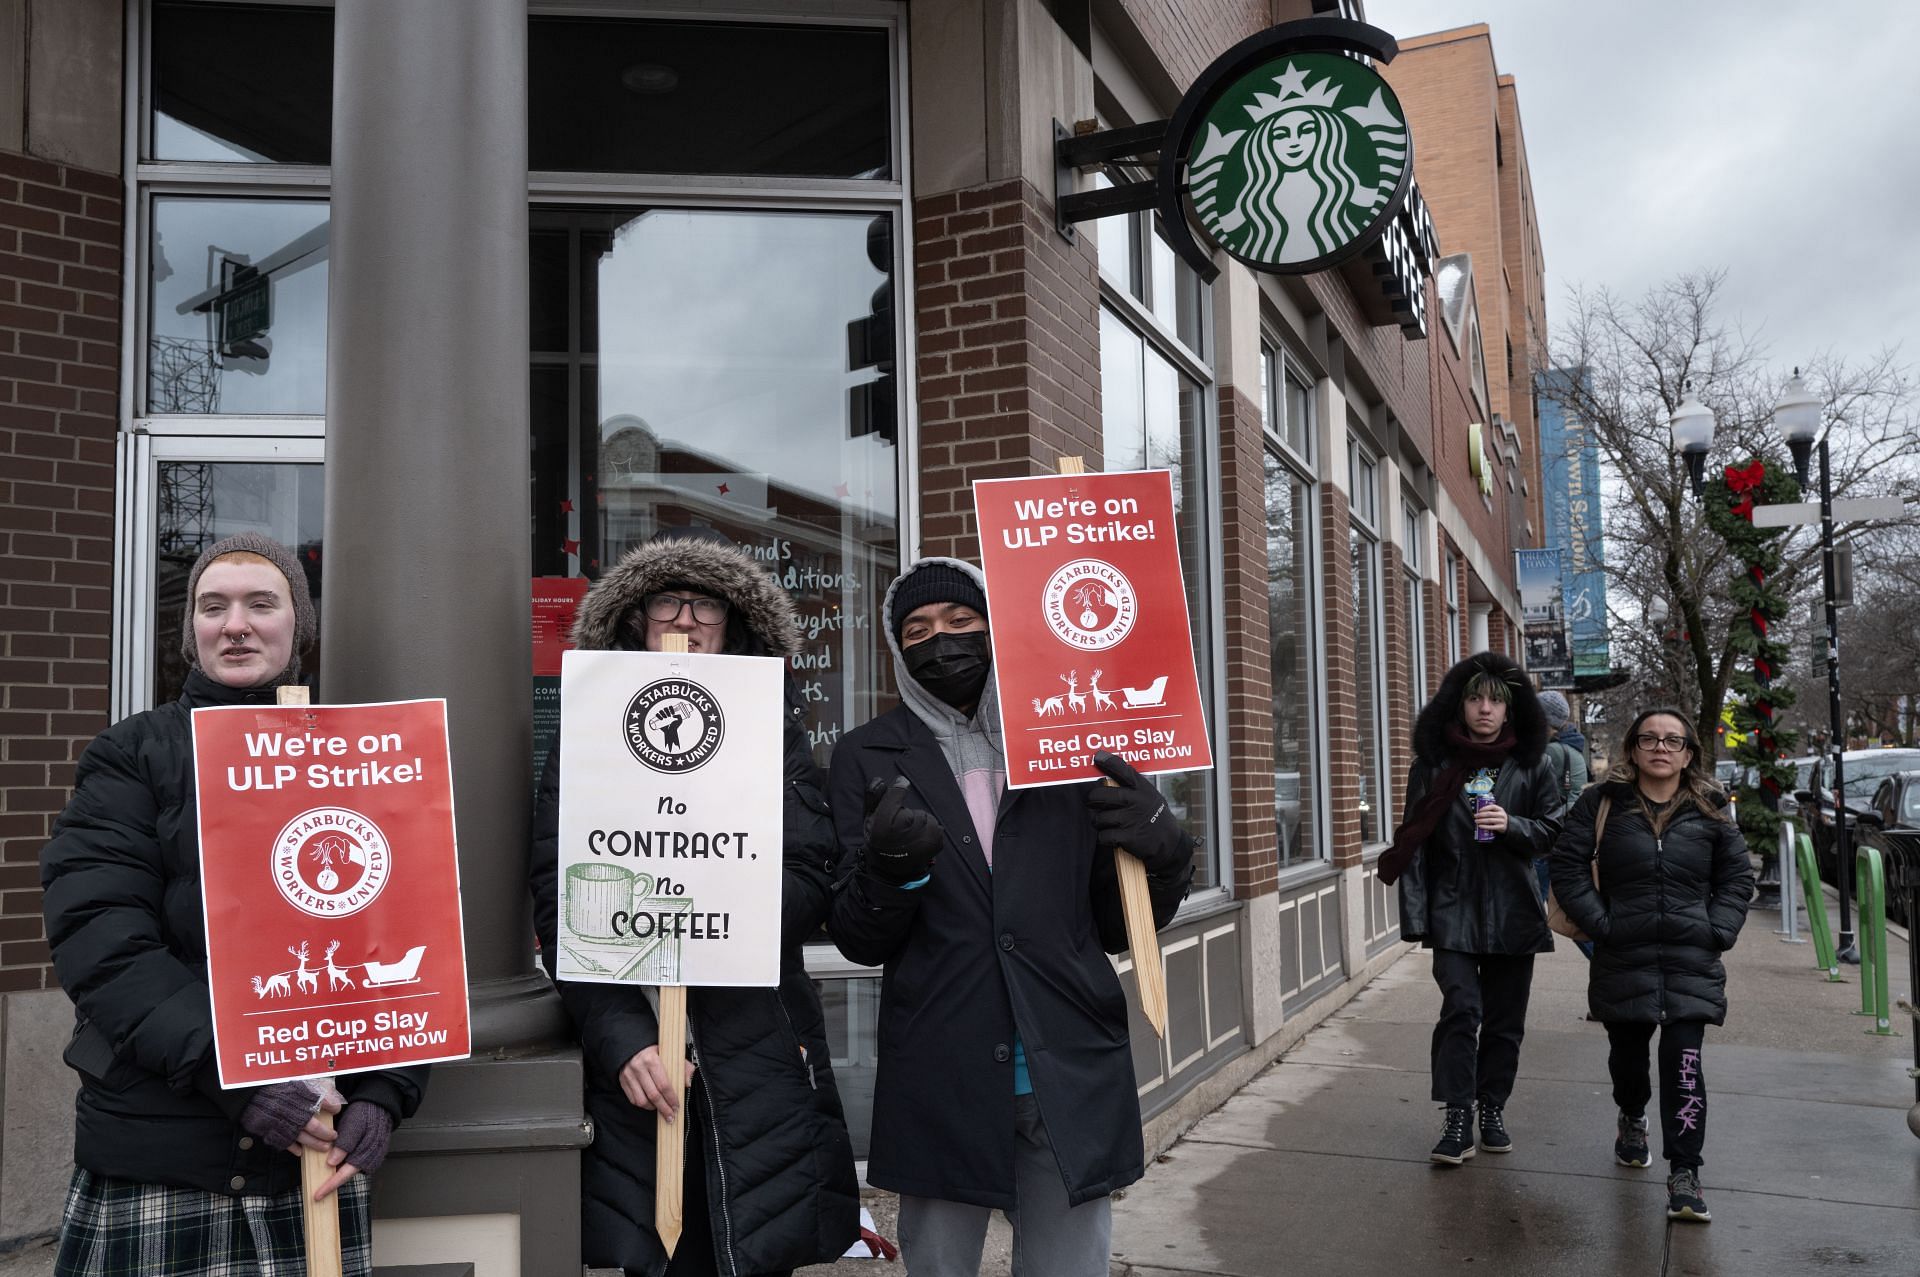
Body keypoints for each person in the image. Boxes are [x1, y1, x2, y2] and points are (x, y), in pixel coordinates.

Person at [40, 532, 422, 1277]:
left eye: (260, 603)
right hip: (164, 1156)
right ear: (193, 633)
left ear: (298, 626)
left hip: (312, 1160)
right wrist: (243, 1075)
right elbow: (105, 941)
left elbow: (409, 935)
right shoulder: (132, 755)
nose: (235, 623)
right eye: (212, 607)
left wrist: (385, 1091)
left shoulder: (364, 757)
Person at [827, 557, 1194, 1277]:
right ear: (898, 648)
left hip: (1065, 1065)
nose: (943, 640)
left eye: (963, 622)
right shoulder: (864, 755)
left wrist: (1168, 851)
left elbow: (1120, 926)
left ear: (997, 629)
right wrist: (891, 871)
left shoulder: (1070, 742)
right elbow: (856, 932)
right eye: (919, 629)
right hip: (943, 1071)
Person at [528, 526, 859, 1277]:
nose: (685, 620)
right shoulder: (586, 743)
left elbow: (811, 869)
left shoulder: (771, 729)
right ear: (636, 624)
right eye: (667, 603)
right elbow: (560, 902)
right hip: (644, 1066)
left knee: (758, 1250)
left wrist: (717, 911)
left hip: (760, 1055)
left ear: (731, 623)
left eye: (704, 606)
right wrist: (623, 1038)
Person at [1549, 707, 1753, 1224]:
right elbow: (1568, 868)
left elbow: (1736, 878)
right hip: (1624, 954)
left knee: (1684, 1064)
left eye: (1672, 741)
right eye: (1649, 739)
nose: (1661, 748)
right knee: (1629, 1061)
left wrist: (1718, 930)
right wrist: (1604, 924)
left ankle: (1685, 1174)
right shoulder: (1601, 803)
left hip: (1692, 958)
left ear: (1688, 755)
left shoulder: (1709, 808)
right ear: (1633, 749)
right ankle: (1632, 1113)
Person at [1378, 651, 1564, 1166]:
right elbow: (1412, 843)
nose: (1485, 709)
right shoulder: (1433, 767)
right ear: (1459, 707)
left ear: (1510, 711)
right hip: (1453, 911)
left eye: (1495, 702)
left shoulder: (1534, 765)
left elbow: (1554, 830)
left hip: (1514, 913)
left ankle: (1492, 1107)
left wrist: (1516, 827)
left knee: (1505, 1022)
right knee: (1461, 1010)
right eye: (1475, 699)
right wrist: (1417, 920)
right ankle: (1457, 1114)